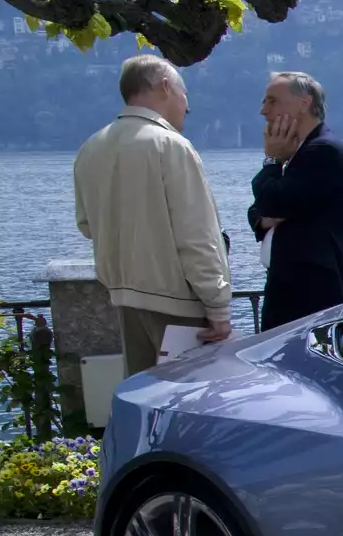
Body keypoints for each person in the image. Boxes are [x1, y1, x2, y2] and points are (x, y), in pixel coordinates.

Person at [73, 55, 234, 376]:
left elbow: (87, 225)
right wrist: (218, 305)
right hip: (178, 305)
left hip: (124, 300)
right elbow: (196, 234)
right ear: (165, 87)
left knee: (145, 397)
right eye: (184, 93)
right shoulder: (171, 146)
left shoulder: (91, 147)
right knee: (191, 398)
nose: (186, 105)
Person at [248, 71, 343, 331]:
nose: (264, 111)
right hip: (295, 300)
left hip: (316, 302)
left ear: (304, 102)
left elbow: (273, 202)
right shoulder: (301, 155)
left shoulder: (325, 151)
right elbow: (259, 209)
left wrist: (272, 160)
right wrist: (268, 210)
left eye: (272, 101)